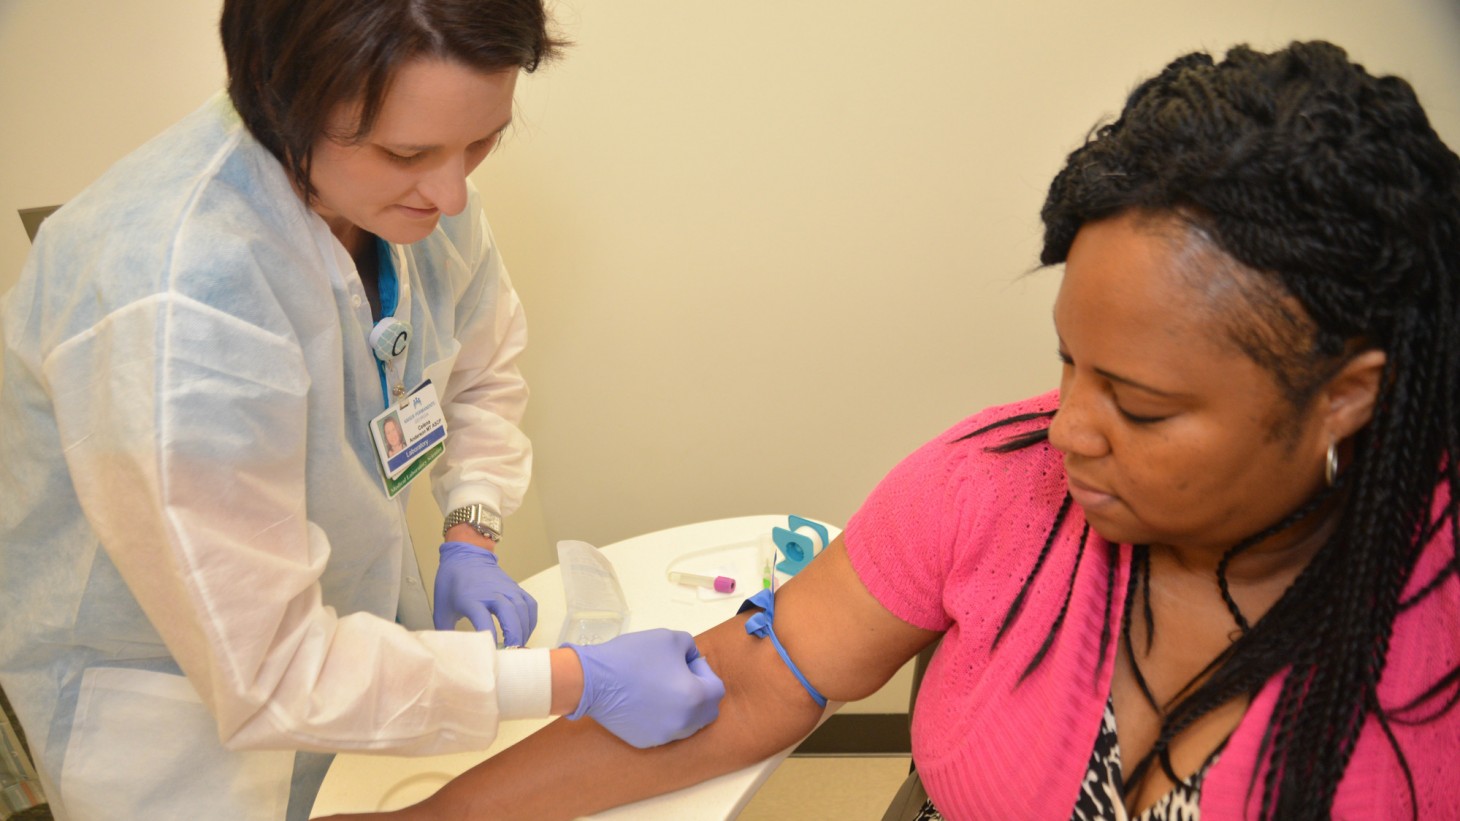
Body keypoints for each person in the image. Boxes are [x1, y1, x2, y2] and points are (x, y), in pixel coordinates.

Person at [321, 41, 1460, 821]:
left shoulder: (1431, 634)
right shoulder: (992, 484)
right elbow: (754, 684)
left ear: (1346, 393)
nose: (1065, 427)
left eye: (1142, 406)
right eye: (1067, 363)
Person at [0, 2, 724, 819]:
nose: (453, 194)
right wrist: (572, 680)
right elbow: (271, 672)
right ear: (282, 100)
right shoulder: (175, 300)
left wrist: (472, 531)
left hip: (352, 650)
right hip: (178, 733)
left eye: (482, 140)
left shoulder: (407, 204)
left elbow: (482, 366)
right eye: (408, 152)